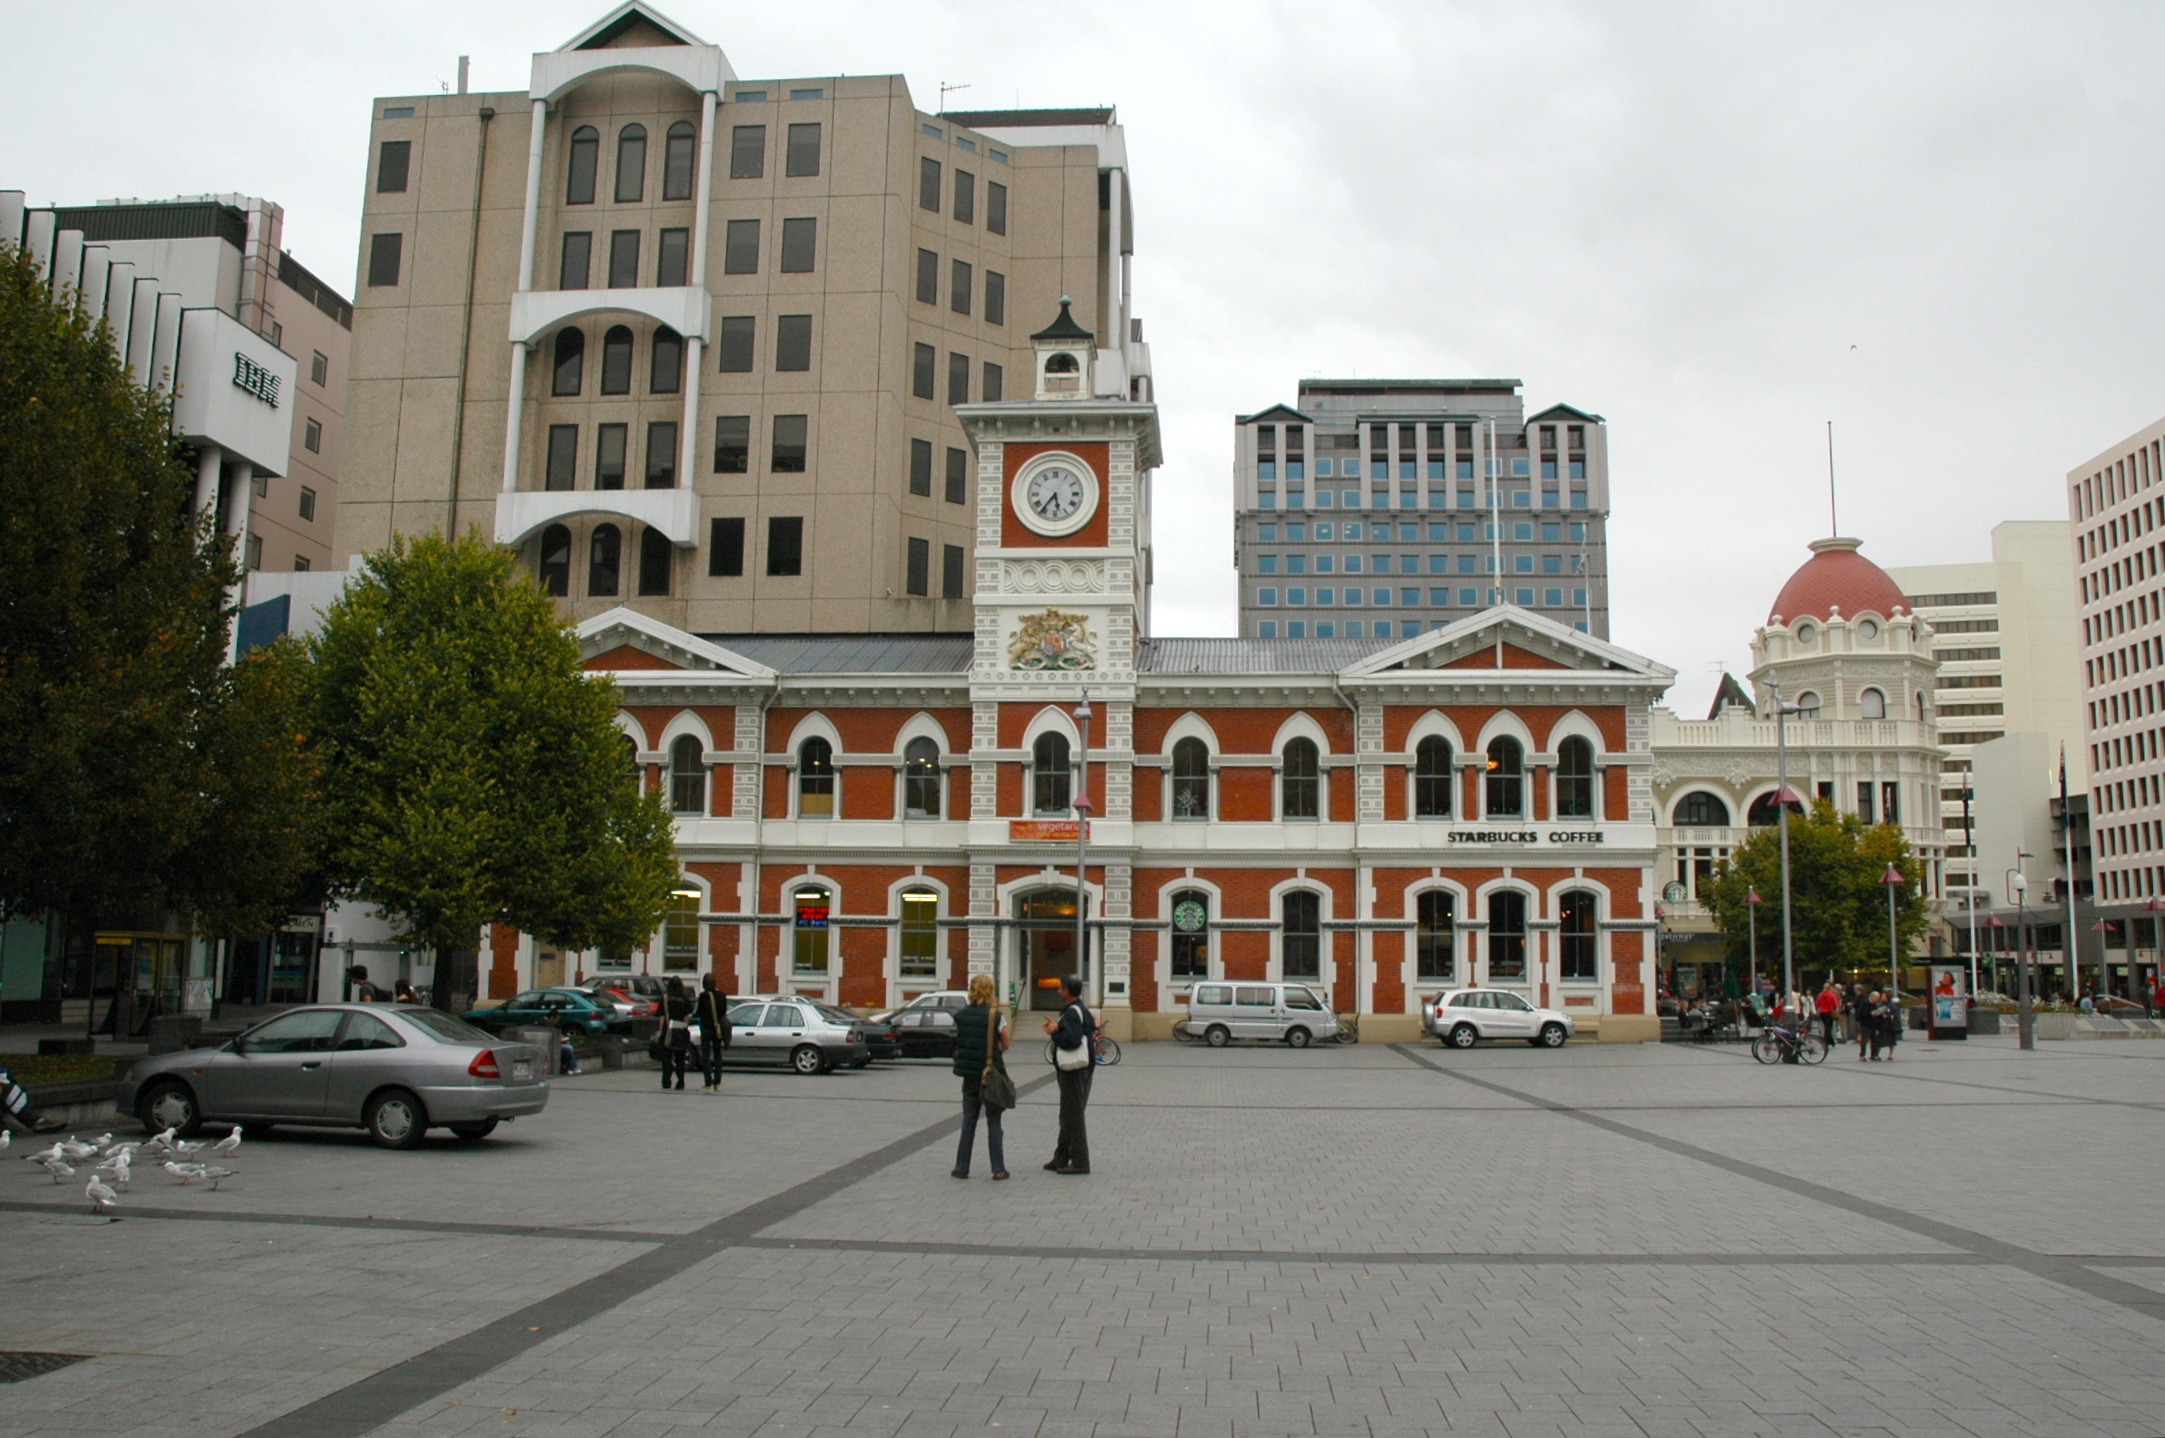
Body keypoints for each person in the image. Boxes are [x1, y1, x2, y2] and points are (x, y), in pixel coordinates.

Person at [951, 974, 1011, 1180]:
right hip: (990, 1074)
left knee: (968, 1121)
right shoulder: (996, 1015)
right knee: (994, 1122)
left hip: (969, 1074)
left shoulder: (962, 1016)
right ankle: (998, 1169)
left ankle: (961, 1167)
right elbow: (1006, 1043)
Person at [1042, 975, 1094, 1175]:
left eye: (1060, 988)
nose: (1058, 991)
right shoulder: (1081, 1009)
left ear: (1067, 991)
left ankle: (1080, 1161)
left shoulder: (1072, 1012)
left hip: (1074, 1070)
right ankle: (1061, 1156)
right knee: (1068, 1113)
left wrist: (1055, 1032)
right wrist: (1059, 1028)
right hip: (1082, 1069)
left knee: (1073, 1115)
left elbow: (1071, 1040)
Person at [696, 973, 732, 1093]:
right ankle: (717, 1083)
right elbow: (723, 1012)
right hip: (718, 1029)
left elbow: (699, 1012)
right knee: (718, 1054)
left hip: (706, 1028)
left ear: (704, 984)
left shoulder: (703, 996)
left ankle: (708, 1083)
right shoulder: (722, 995)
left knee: (706, 1056)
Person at [659, 976, 692, 1091]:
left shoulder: (665, 999)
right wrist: (685, 1028)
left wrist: (661, 1031)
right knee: (680, 1058)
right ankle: (680, 1081)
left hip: (668, 1030)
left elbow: (662, 1016)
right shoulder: (685, 999)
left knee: (666, 1058)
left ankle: (666, 1081)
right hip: (680, 1030)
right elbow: (686, 1017)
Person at [1847, 983, 1872, 1059]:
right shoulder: (1862, 996)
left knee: (1859, 1027)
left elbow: (1857, 1004)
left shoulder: (1860, 997)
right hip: (1860, 1014)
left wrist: (1852, 1004)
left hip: (1860, 1014)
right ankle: (1859, 1037)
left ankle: (1860, 1037)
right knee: (1859, 1027)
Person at [1815, 982, 1840, 1048]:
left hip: (1822, 1013)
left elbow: (1817, 1004)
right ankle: (1826, 1041)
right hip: (1829, 1012)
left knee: (1826, 1027)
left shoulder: (1820, 995)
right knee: (1828, 1028)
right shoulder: (1831, 995)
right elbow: (1835, 1004)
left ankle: (1831, 1042)